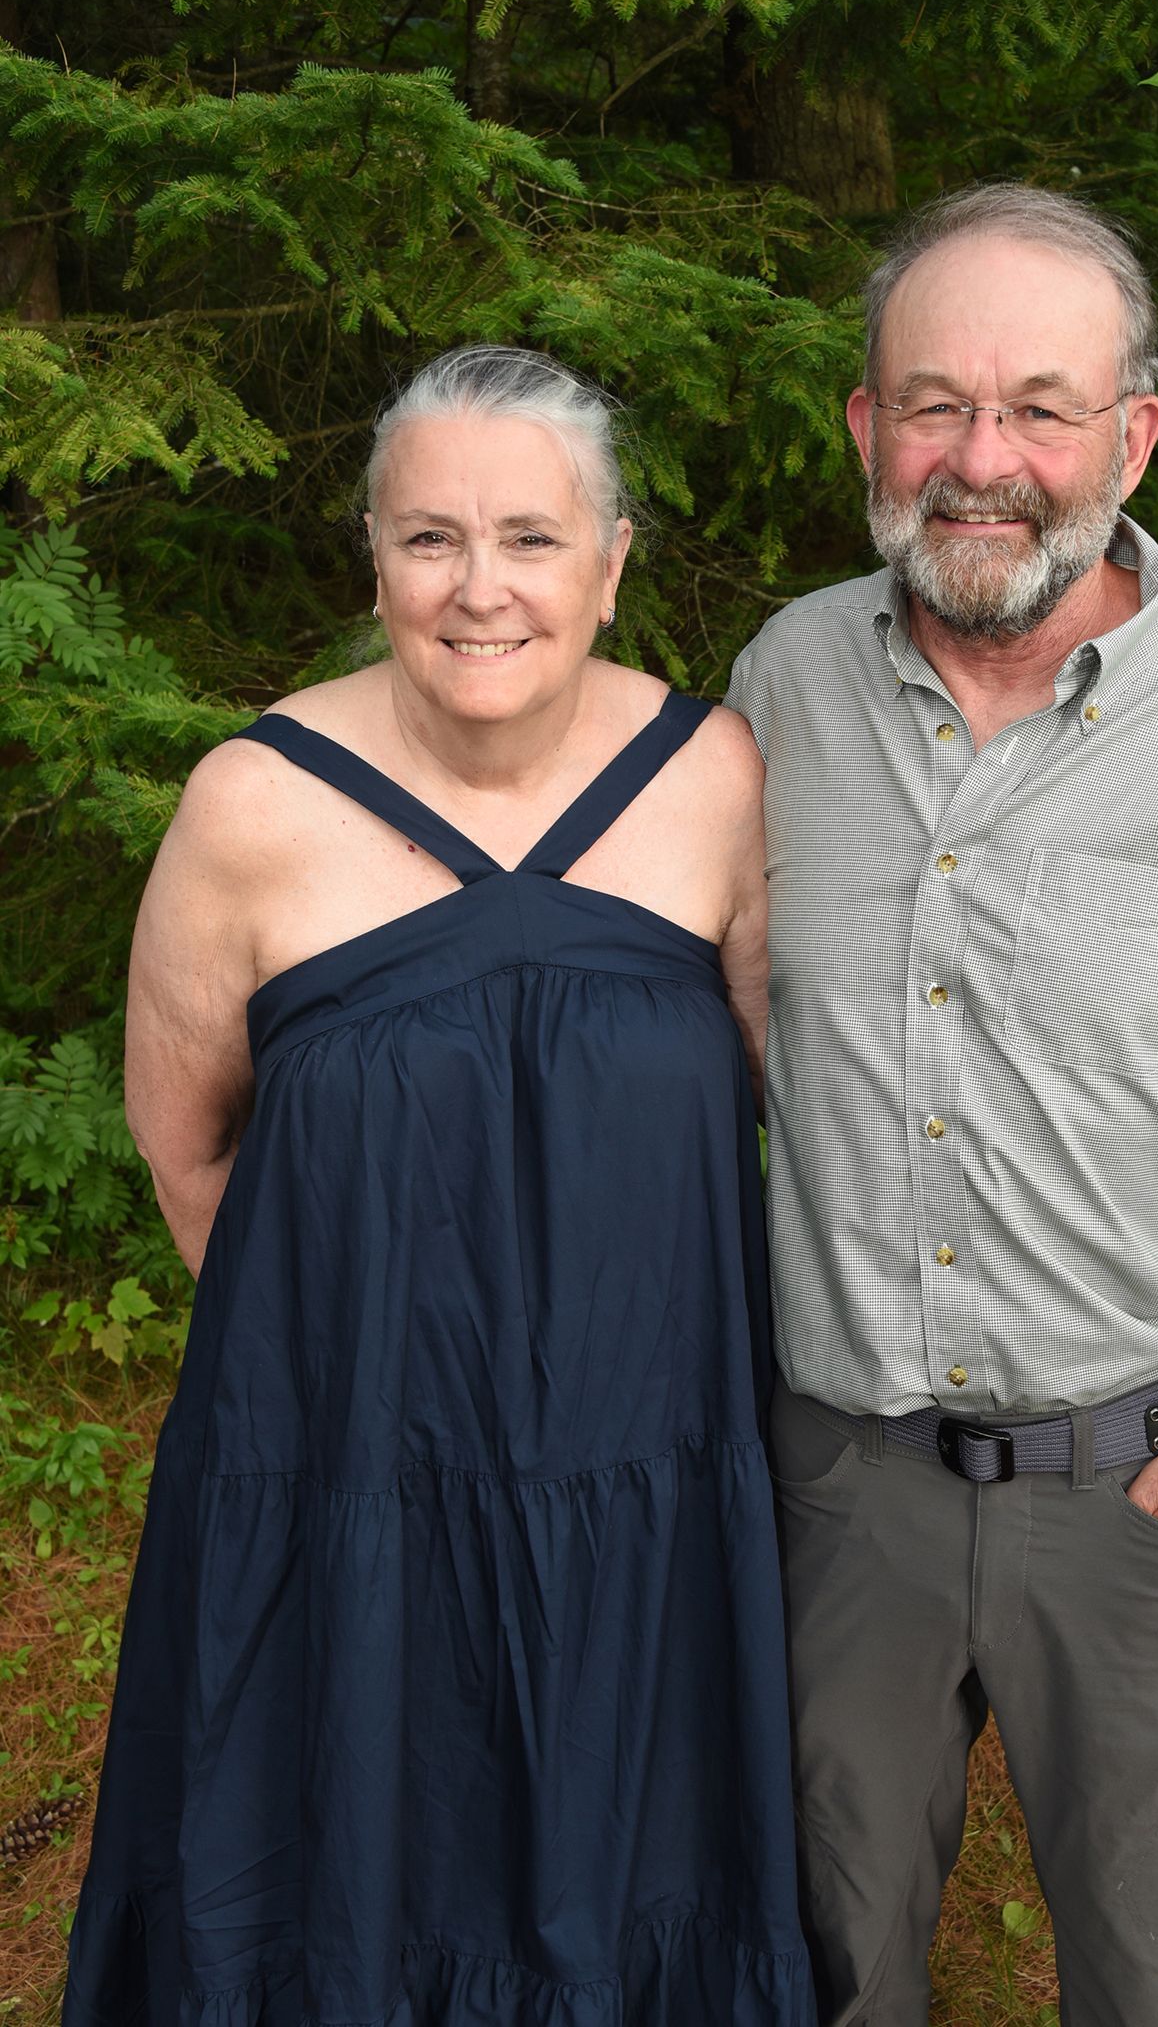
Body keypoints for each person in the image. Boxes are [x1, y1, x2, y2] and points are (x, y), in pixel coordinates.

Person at [725, 184, 1158, 2027]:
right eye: (936, 404)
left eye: (1042, 407)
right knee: (828, 1953)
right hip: (842, 1488)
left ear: (1134, 437)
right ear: (868, 428)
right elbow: (722, 1032)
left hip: (1139, 1488)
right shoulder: (783, 684)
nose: (984, 461)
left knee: (1139, 1967)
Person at [64, 347, 816, 2026]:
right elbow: (186, 1147)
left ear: (611, 563)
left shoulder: (720, 777)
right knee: (348, 1855)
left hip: (649, 1475)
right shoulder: (250, 805)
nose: (482, 589)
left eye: (531, 539)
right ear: (374, 560)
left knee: (632, 1862)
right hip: (347, 1474)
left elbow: (783, 1097)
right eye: (431, 538)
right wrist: (358, 1383)